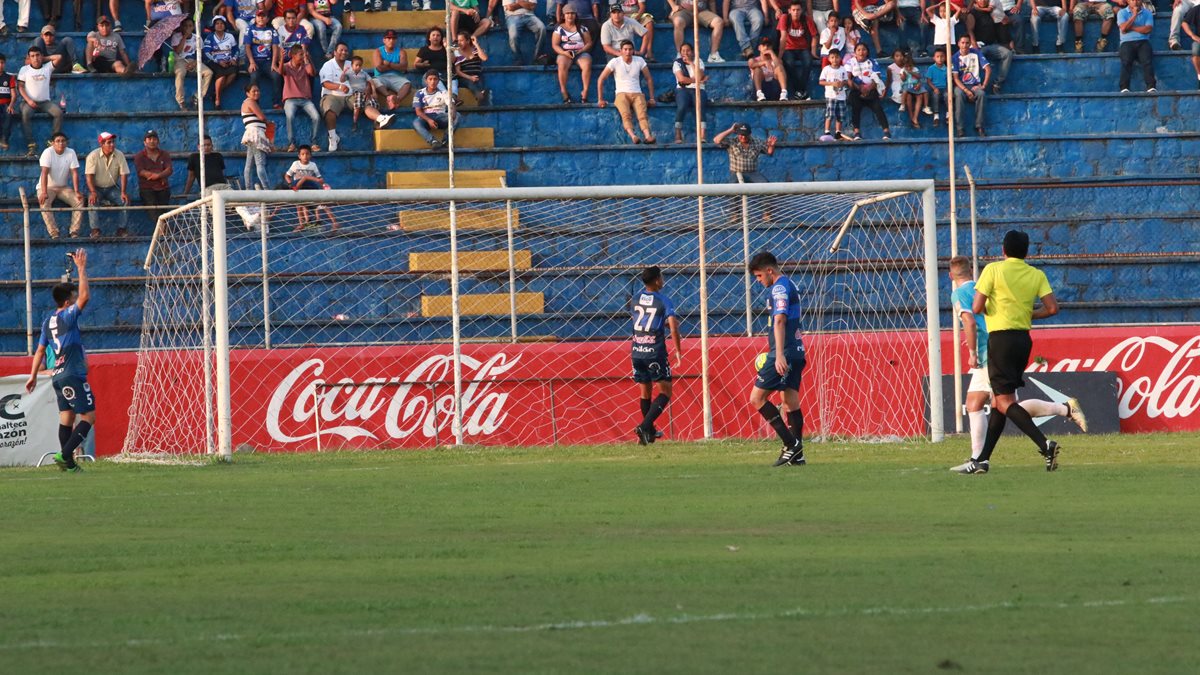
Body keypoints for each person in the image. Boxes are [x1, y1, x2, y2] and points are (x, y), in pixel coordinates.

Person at [947, 255, 1087, 474]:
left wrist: (972, 352)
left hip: (990, 352)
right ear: (972, 271)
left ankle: (1062, 412)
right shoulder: (983, 287)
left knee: (1007, 406)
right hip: (1006, 344)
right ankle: (980, 460)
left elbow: (970, 321)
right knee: (982, 403)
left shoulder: (958, 293)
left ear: (950, 275)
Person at [958, 231, 1063, 474]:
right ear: (1026, 252)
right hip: (1023, 340)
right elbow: (1052, 308)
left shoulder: (993, 270)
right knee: (998, 403)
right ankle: (982, 460)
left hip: (1001, 339)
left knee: (1005, 402)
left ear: (1003, 251)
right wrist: (1028, 314)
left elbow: (976, 307)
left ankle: (1045, 444)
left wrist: (994, 310)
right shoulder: (1036, 274)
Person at [25, 249, 94, 473]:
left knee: (67, 417)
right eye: (72, 299)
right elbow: (85, 297)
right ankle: (64, 455)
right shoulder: (68, 315)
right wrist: (82, 268)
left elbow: (39, 351)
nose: (76, 301)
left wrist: (33, 376)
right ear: (66, 302)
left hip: (57, 375)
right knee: (88, 416)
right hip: (72, 372)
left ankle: (69, 466)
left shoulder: (47, 322)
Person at [746, 251, 806, 467]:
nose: (759, 281)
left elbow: (780, 320)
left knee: (757, 398)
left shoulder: (779, 288)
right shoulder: (790, 284)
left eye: (759, 276)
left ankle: (791, 445)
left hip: (786, 352)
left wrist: (779, 354)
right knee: (789, 401)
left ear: (769, 271)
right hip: (797, 349)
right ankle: (798, 456)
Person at [630, 266, 682, 446]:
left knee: (645, 392)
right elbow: (673, 327)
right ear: (656, 280)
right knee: (666, 391)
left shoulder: (635, 299)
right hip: (655, 352)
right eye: (661, 276)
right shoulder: (664, 301)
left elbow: (644, 321)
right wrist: (678, 350)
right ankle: (644, 426)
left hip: (637, 351)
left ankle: (648, 434)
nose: (663, 279)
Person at [597, 39, 657, 144]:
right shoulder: (615, 62)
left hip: (637, 92)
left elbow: (649, 78)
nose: (628, 52)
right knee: (626, 115)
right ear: (621, 51)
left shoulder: (639, 60)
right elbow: (601, 79)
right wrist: (600, 99)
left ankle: (648, 136)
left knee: (642, 114)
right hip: (621, 93)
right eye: (625, 49)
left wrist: (652, 98)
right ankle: (633, 136)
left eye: (630, 49)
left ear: (633, 50)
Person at [18, 47, 62, 158]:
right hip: (29, 102)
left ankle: (52, 140)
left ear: (41, 56)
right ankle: (31, 144)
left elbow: (59, 57)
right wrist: (29, 100)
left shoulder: (47, 68)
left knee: (58, 113)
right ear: (29, 58)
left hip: (45, 102)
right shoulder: (24, 69)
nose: (35, 58)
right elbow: (20, 87)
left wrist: (44, 58)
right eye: (32, 56)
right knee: (25, 114)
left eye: (37, 55)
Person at [84, 131, 130, 237]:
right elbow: (89, 177)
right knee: (92, 200)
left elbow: (124, 174)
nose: (112, 144)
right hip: (96, 188)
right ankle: (95, 230)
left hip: (112, 188)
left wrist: (123, 192)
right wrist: (92, 192)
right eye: (109, 142)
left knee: (125, 200)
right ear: (101, 144)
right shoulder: (93, 156)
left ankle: (121, 229)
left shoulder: (119, 155)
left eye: (113, 142)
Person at [37, 132, 83, 237]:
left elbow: (74, 173)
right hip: (47, 187)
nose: (61, 143)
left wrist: (76, 191)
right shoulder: (47, 152)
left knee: (79, 200)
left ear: (66, 143)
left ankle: (74, 231)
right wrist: (44, 192)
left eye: (63, 141)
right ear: (53, 143)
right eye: (58, 141)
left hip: (63, 188)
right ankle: (54, 232)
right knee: (44, 203)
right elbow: (44, 173)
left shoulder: (71, 152)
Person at [283, 145, 338, 230]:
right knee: (299, 206)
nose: (305, 156)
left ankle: (335, 222)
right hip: (299, 187)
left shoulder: (313, 165)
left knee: (322, 203)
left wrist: (323, 184)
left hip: (310, 187)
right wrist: (290, 184)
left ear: (310, 155)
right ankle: (302, 224)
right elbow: (287, 176)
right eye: (303, 154)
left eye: (307, 154)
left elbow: (319, 178)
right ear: (299, 156)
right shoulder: (295, 164)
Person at [278, 45, 319, 151]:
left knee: (316, 117)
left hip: (305, 99)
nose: (302, 56)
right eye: (300, 54)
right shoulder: (287, 66)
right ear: (293, 55)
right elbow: (280, 72)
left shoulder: (305, 66)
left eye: (303, 54)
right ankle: (291, 143)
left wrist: (308, 59)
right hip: (290, 99)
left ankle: (314, 142)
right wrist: (282, 59)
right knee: (290, 116)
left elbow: (312, 73)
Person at [845, 41, 889, 140]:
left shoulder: (872, 61)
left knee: (877, 107)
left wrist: (869, 88)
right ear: (855, 52)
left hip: (871, 89)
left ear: (867, 52)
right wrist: (859, 88)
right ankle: (857, 133)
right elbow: (848, 79)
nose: (861, 52)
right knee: (855, 107)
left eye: (864, 50)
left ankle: (886, 132)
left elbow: (877, 77)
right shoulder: (850, 62)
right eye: (859, 50)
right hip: (856, 89)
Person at [966, 0, 1012, 93]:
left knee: (1008, 54)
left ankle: (997, 83)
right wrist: (974, 43)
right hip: (979, 46)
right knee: (974, 58)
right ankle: (975, 86)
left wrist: (1005, 20)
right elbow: (969, 29)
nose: (982, 1)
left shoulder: (992, 11)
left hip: (992, 45)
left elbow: (1006, 21)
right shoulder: (973, 13)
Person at [777, 0, 819, 100]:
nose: (796, 12)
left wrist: (813, 51)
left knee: (809, 62)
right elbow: (782, 37)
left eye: (798, 10)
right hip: (788, 48)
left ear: (801, 10)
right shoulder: (785, 18)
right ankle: (801, 91)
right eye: (794, 10)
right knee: (789, 63)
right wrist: (779, 56)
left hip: (803, 48)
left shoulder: (806, 19)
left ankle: (799, 91)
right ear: (789, 11)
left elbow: (815, 36)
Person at [412, 69, 461, 149]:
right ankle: (433, 141)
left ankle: (446, 140)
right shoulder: (420, 93)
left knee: (458, 116)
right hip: (426, 118)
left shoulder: (443, 93)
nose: (433, 82)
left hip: (440, 117)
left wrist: (453, 114)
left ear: (438, 81)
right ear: (426, 81)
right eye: (430, 79)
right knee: (416, 122)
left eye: (435, 79)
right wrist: (429, 120)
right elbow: (418, 112)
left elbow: (452, 104)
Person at [552, 7, 593, 102]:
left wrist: (581, 51)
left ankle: (585, 91)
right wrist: (563, 52)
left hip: (580, 52)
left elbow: (589, 42)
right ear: (563, 15)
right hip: (565, 53)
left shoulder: (582, 28)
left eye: (572, 13)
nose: (570, 15)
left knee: (587, 64)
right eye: (567, 13)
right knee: (562, 64)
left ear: (575, 15)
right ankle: (564, 91)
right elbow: (555, 45)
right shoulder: (559, 29)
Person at [951, 34, 989, 136]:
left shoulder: (977, 53)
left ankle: (979, 126)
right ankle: (960, 128)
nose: (965, 45)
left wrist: (983, 85)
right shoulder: (954, 57)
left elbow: (988, 69)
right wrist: (966, 91)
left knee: (981, 94)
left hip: (975, 85)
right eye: (962, 43)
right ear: (958, 44)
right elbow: (955, 78)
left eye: (967, 43)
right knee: (958, 95)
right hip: (961, 86)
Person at [170, 17, 212, 110]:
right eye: (185, 26)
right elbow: (178, 51)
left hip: (194, 60)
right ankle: (181, 101)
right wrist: (184, 37)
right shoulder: (176, 36)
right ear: (181, 27)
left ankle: (197, 96)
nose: (187, 28)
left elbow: (201, 54)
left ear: (193, 27)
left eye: (190, 26)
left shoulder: (197, 38)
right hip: (180, 60)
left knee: (208, 73)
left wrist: (195, 62)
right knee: (180, 73)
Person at [134, 130, 173, 228]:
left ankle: (162, 231)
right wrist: (158, 175)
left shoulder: (165, 154)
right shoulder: (139, 156)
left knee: (164, 212)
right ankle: (162, 230)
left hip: (163, 187)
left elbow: (169, 169)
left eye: (154, 139)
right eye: (149, 139)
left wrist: (158, 176)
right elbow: (141, 172)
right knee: (153, 212)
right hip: (147, 189)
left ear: (158, 141)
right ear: (144, 142)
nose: (152, 141)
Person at [672, 42, 709, 143]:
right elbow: (681, 79)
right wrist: (698, 80)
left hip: (698, 89)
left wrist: (691, 63)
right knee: (682, 106)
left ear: (692, 52)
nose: (685, 53)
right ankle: (678, 133)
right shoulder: (677, 63)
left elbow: (699, 75)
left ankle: (702, 134)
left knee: (700, 105)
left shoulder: (699, 61)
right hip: (682, 89)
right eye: (683, 51)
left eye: (688, 50)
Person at [245, 11, 282, 109]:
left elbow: (275, 47)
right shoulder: (250, 29)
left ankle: (276, 103)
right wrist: (251, 62)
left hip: (267, 61)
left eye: (263, 16)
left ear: (267, 19)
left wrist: (274, 64)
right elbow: (247, 47)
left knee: (277, 76)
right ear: (255, 18)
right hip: (253, 60)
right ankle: (255, 104)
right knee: (254, 76)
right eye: (259, 16)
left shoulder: (272, 31)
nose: (261, 18)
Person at [318, 42, 351, 151]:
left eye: (346, 50)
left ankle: (379, 119)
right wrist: (340, 87)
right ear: (334, 53)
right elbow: (325, 83)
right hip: (332, 95)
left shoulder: (351, 64)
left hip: (350, 95)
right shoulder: (328, 65)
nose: (344, 52)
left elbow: (360, 79)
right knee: (329, 110)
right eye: (341, 50)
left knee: (366, 102)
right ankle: (332, 137)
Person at [1117, 0, 1155, 92]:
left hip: (1143, 41)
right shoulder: (1122, 13)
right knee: (1126, 62)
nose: (1135, 2)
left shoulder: (1147, 13)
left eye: (1137, 0)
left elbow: (1148, 29)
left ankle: (1151, 87)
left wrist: (1131, 27)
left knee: (1147, 62)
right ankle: (1124, 88)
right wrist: (1134, 15)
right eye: (1132, 0)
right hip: (1127, 42)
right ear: (1128, 2)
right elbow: (1123, 28)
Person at [203, 15, 240, 109]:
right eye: (217, 23)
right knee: (222, 76)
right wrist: (218, 61)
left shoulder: (230, 36)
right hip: (214, 62)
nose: (219, 25)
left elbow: (236, 50)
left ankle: (215, 93)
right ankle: (217, 100)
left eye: (221, 23)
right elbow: (206, 52)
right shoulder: (210, 37)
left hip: (228, 61)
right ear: (214, 26)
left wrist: (234, 59)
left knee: (233, 73)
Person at [241, 84, 272, 188]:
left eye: (258, 90)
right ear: (247, 93)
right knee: (260, 164)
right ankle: (267, 189)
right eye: (254, 91)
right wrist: (268, 123)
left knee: (249, 165)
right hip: (255, 134)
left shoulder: (248, 102)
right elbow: (261, 117)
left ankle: (248, 189)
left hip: (253, 134)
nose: (257, 93)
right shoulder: (250, 101)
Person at [371, 30, 413, 104]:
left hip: (397, 76)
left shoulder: (401, 51)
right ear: (384, 40)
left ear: (396, 40)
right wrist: (396, 66)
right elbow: (379, 68)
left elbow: (404, 67)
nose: (391, 40)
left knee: (407, 85)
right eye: (389, 38)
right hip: (381, 76)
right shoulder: (378, 51)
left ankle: (397, 100)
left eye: (393, 38)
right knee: (374, 81)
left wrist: (388, 64)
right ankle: (389, 97)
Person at [818, 47, 848, 140]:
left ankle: (838, 132)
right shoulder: (826, 69)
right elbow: (821, 82)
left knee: (840, 115)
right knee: (830, 114)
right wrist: (832, 83)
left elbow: (846, 81)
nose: (835, 59)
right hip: (831, 95)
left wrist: (842, 83)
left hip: (841, 96)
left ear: (840, 58)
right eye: (832, 57)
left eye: (837, 57)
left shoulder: (843, 69)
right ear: (829, 59)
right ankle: (827, 131)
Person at [504, 0, 546, 65]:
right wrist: (525, 3)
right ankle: (518, 59)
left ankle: (537, 57)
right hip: (512, 17)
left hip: (530, 16)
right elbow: (510, 7)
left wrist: (518, 2)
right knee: (513, 35)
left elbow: (533, 6)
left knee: (542, 28)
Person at [454, 32, 491, 104]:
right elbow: (458, 71)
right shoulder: (457, 52)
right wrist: (470, 77)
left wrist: (476, 44)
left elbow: (485, 58)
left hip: (477, 76)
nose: (459, 43)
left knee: (478, 81)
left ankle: (482, 98)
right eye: (458, 41)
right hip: (464, 78)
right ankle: (480, 96)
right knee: (471, 83)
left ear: (468, 41)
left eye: (461, 40)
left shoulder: (475, 50)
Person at [342, 55, 377, 130]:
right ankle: (354, 122)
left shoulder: (364, 73)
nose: (358, 67)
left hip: (366, 92)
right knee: (357, 106)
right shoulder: (349, 73)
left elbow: (371, 82)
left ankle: (376, 121)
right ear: (352, 65)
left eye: (360, 65)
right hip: (357, 93)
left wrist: (374, 92)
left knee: (373, 103)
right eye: (356, 65)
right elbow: (342, 80)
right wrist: (343, 73)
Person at [900, 53, 929, 127]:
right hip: (907, 87)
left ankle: (915, 117)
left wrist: (911, 72)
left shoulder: (915, 69)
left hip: (915, 86)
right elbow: (903, 80)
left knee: (920, 96)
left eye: (910, 66)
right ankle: (910, 116)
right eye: (907, 66)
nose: (909, 68)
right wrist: (904, 75)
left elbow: (918, 77)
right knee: (908, 97)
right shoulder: (903, 70)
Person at [926, 43, 948, 124]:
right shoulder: (931, 68)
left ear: (945, 58)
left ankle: (948, 114)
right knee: (935, 96)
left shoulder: (947, 68)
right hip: (935, 88)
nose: (940, 59)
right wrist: (934, 88)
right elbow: (928, 80)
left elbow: (949, 80)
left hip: (945, 88)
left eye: (942, 56)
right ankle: (936, 115)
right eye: (937, 57)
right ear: (934, 58)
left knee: (947, 95)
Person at [1182, 3, 1200, 88]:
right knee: (1195, 50)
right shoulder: (1197, 9)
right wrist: (1192, 35)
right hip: (1199, 39)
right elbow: (1184, 23)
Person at [0, 54, 13, 153]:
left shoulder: (9, 77)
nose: (0, 65)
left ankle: (4, 139)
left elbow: (14, 94)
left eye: (2, 63)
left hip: (6, 104)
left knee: (8, 114)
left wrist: (11, 105)